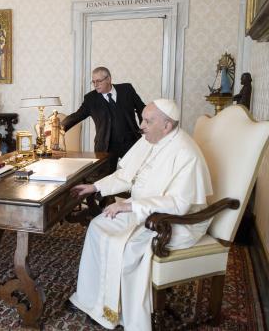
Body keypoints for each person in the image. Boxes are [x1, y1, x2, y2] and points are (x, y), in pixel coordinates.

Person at [66, 99, 213, 331]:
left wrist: (128, 207)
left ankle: (124, 314)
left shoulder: (186, 152)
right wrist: (95, 188)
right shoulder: (150, 140)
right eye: (142, 119)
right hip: (143, 210)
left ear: (167, 126)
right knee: (97, 226)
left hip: (174, 221)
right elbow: (126, 176)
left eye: (147, 121)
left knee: (129, 249)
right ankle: (90, 300)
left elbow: (180, 203)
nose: (141, 125)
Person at [62, 67, 146, 174]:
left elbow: (141, 107)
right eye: (93, 82)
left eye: (99, 81)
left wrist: (144, 125)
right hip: (105, 145)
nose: (95, 84)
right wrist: (58, 127)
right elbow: (77, 115)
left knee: (135, 174)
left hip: (130, 142)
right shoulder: (91, 98)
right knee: (104, 177)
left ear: (109, 79)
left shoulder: (127, 89)